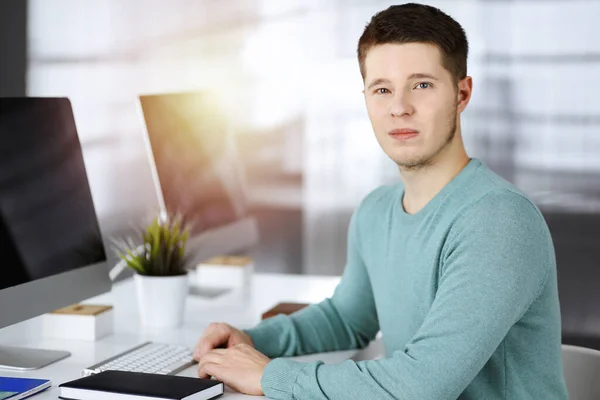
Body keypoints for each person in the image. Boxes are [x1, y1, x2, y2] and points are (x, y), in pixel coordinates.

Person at [193, 3, 568, 399]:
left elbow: (421, 384)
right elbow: (346, 319)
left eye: (421, 85)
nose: (399, 107)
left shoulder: (498, 220)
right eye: (382, 89)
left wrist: (272, 377)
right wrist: (250, 340)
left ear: (462, 93)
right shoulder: (376, 210)